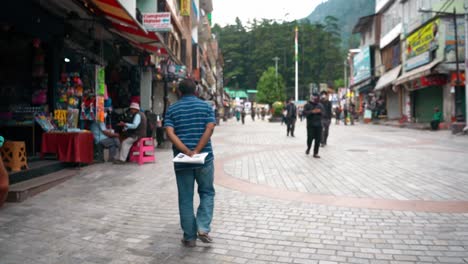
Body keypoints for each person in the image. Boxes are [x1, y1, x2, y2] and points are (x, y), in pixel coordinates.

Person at [164, 79, 216, 248]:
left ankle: (189, 237)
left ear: (179, 92)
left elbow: (169, 132)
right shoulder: (206, 107)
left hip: (182, 160)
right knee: (207, 192)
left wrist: (186, 151)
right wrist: (198, 150)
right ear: (196, 91)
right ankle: (202, 228)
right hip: (205, 159)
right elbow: (210, 128)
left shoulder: (173, 109)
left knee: (185, 198)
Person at [303, 93, 323, 158]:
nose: (316, 99)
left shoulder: (320, 105)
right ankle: (308, 148)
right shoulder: (307, 105)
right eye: (315, 98)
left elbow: (324, 113)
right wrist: (312, 112)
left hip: (319, 125)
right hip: (310, 125)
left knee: (318, 139)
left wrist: (320, 112)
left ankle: (315, 153)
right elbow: (304, 113)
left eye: (317, 98)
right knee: (310, 138)